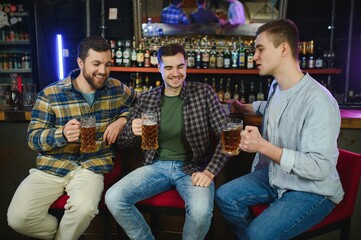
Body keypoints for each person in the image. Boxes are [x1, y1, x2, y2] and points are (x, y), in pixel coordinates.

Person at [215, 19, 343, 239]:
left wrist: (263, 147)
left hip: (311, 190)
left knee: (258, 234)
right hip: (278, 176)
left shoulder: (319, 101)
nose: (254, 56)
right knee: (225, 196)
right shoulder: (277, 87)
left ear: (284, 48)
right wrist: (245, 107)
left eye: (260, 49)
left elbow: (320, 167)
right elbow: (270, 106)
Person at [7, 35, 137, 240]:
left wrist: (121, 120)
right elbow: (33, 138)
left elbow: (139, 104)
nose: (103, 71)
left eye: (107, 64)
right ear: (80, 62)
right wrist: (62, 134)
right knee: (18, 218)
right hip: (53, 166)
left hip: (92, 166)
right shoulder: (51, 94)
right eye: (96, 64)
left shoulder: (116, 89)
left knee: (84, 208)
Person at [105, 43, 229, 240]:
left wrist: (210, 171)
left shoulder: (204, 93)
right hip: (156, 167)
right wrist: (131, 130)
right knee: (113, 198)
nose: (175, 73)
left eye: (180, 66)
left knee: (200, 213)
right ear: (159, 68)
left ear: (186, 65)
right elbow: (123, 143)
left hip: (194, 169)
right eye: (169, 68)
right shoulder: (147, 99)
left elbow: (228, 133)